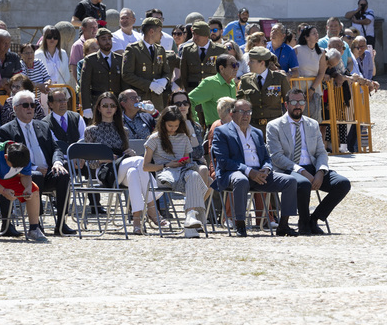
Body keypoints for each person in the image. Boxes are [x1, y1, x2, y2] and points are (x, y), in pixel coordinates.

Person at [266, 88, 350, 235]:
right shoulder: (274, 126)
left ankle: (314, 219)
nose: (297, 105)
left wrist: (320, 171)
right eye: (293, 102)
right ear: (286, 105)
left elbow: (321, 152)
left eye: (301, 102)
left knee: (343, 183)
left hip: (312, 168)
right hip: (288, 169)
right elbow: (276, 156)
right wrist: (301, 171)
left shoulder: (312, 124)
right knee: (303, 183)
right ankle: (303, 222)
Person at [211, 98, 299, 237]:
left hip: (258, 174)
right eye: (241, 111)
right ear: (232, 114)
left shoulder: (256, 132)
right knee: (241, 180)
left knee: (290, 181)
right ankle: (240, 225)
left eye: (248, 112)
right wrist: (248, 171)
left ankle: (283, 225)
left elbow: (266, 157)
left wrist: (266, 168)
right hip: (234, 173)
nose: (246, 115)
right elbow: (223, 161)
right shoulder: (222, 132)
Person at [84, 93, 164, 234]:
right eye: (105, 105)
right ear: (99, 108)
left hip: (123, 167)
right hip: (105, 171)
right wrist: (107, 158)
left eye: (112, 105)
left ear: (116, 108)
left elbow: (125, 152)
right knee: (139, 161)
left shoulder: (123, 130)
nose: (109, 108)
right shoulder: (91, 130)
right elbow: (91, 164)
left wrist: (130, 153)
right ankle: (153, 209)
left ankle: (137, 221)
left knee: (133, 172)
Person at [0, 89, 73, 236]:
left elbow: (56, 149)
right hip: (21, 176)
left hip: (47, 172)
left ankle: (61, 223)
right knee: (36, 175)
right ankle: (36, 223)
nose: (30, 108)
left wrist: (57, 163)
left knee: (63, 173)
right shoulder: (6, 130)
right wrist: (32, 167)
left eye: (33, 105)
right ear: (15, 108)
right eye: (25, 105)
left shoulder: (43, 126)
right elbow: (10, 158)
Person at [141, 105, 209, 236]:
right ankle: (192, 216)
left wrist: (183, 161)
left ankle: (190, 217)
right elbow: (146, 166)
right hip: (164, 175)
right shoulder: (154, 139)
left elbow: (188, 160)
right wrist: (167, 164)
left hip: (183, 171)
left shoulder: (184, 137)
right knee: (204, 183)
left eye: (176, 126)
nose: (173, 129)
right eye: (170, 125)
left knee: (194, 175)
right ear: (163, 123)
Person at [0, 140, 46, 242]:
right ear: (6, 157)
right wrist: (3, 191)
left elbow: (25, 175)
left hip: (11, 177)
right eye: (15, 166)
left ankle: (34, 229)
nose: (17, 168)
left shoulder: (24, 154)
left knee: (34, 191)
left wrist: (28, 188)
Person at [121, 17, 176, 110]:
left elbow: (166, 71)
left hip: (157, 99)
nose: (161, 34)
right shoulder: (133, 49)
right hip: (140, 99)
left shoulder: (160, 50)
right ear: (151, 32)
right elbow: (126, 75)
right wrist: (149, 85)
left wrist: (165, 80)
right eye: (159, 31)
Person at [237, 47, 291, 131]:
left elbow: (289, 101)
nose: (248, 63)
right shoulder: (245, 80)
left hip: (275, 126)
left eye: (251, 61)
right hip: (253, 127)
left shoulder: (279, 78)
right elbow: (239, 102)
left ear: (262, 63)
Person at [78, 28, 123, 119]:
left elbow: (124, 83)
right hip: (97, 103)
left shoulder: (119, 59)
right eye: (104, 39)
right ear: (98, 42)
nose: (107, 41)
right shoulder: (91, 60)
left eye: (109, 39)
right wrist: (86, 107)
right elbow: (85, 84)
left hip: (116, 103)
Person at [188, 53, 239, 128]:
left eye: (237, 64)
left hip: (232, 129)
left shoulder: (232, 83)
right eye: (233, 65)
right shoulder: (210, 83)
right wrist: (195, 122)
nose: (236, 68)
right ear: (221, 68)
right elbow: (189, 100)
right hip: (216, 129)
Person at [177, 20, 223, 95]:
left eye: (198, 35)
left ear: (206, 36)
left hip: (213, 91)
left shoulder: (220, 50)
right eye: (193, 34)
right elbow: (184, 74)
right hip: (194, 92)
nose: (195, 37)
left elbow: (224, 72)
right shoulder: (187, 50)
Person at [46, 87, 86, 155]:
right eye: (59, 100)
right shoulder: (46, 123)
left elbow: (84, 138)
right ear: (51, 104)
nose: (63, 103)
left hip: (80, 158)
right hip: (60, 161)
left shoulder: (77, 118)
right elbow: (55, 146)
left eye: (64, 100)